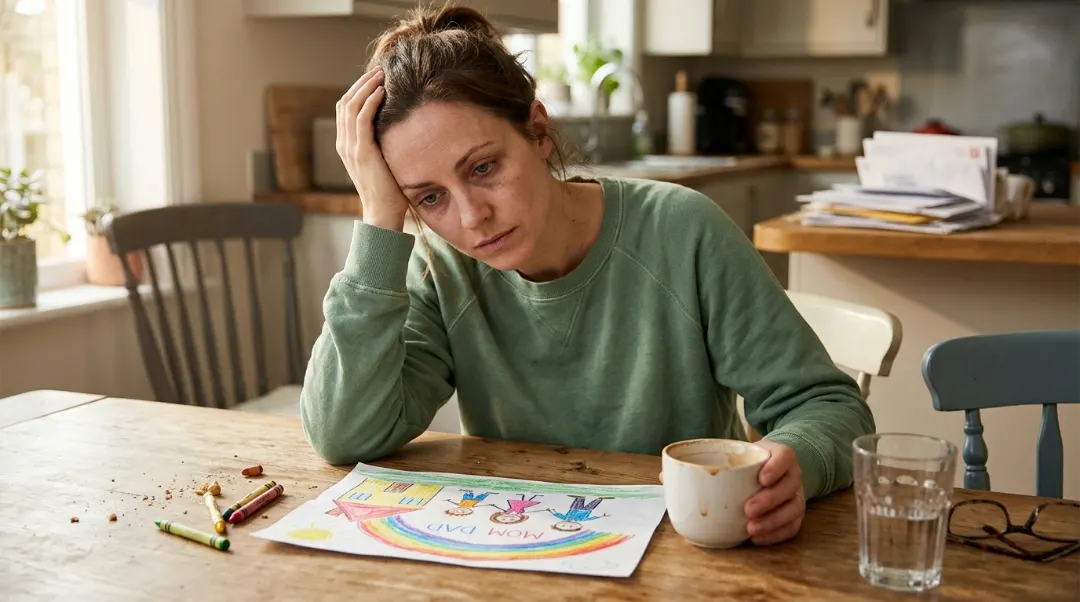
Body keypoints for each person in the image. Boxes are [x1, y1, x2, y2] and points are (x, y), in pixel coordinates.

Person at [300, 5, 875, 547]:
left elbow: (828, 405)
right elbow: (343, 434)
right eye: (429, 197)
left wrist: (797, 460)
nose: (471, 218)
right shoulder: (441, 267)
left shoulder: (681, 230)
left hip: (681, 552)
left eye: (483, 167)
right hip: (518, 546)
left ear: (538, 132)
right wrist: (379, 220)